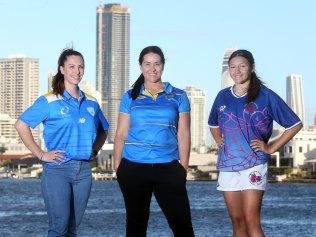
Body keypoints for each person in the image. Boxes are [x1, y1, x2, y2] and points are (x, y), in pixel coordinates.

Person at [15, 48, 109, 236]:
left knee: (72, 228)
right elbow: (21, 125)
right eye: (72, 67)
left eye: (81, 67)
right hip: (58, 169)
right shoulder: (49, 100)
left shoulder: (91, 102)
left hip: (84, 171)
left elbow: (104, 129)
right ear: (62, 69)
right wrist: (41, 154)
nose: (77, 71)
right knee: (59, 227)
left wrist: (96, 149)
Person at [208, 49, 302, 237]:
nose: (237, 71)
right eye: (232, 67)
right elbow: (213, 124)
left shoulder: (265, 95)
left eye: (242, 66)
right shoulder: (222, 96)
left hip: (254, 164)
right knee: (237, 221)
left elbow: (295, 124)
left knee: (251, 220)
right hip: (228, 165)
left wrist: (271, 147)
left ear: (252, 67)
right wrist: (219, 141)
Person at [114, 45, 195, 237]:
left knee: (183, 227)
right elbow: (120, 134)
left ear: (163, 66)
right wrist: (118, 167)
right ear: (141, 66)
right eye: (147, 64)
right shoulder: (130, 96)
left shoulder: (178, 95)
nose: (152, 68)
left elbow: (184, 134)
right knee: (135, 228)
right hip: (133, 168)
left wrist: (183, 168)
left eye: (156, 64)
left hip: (168, 168)